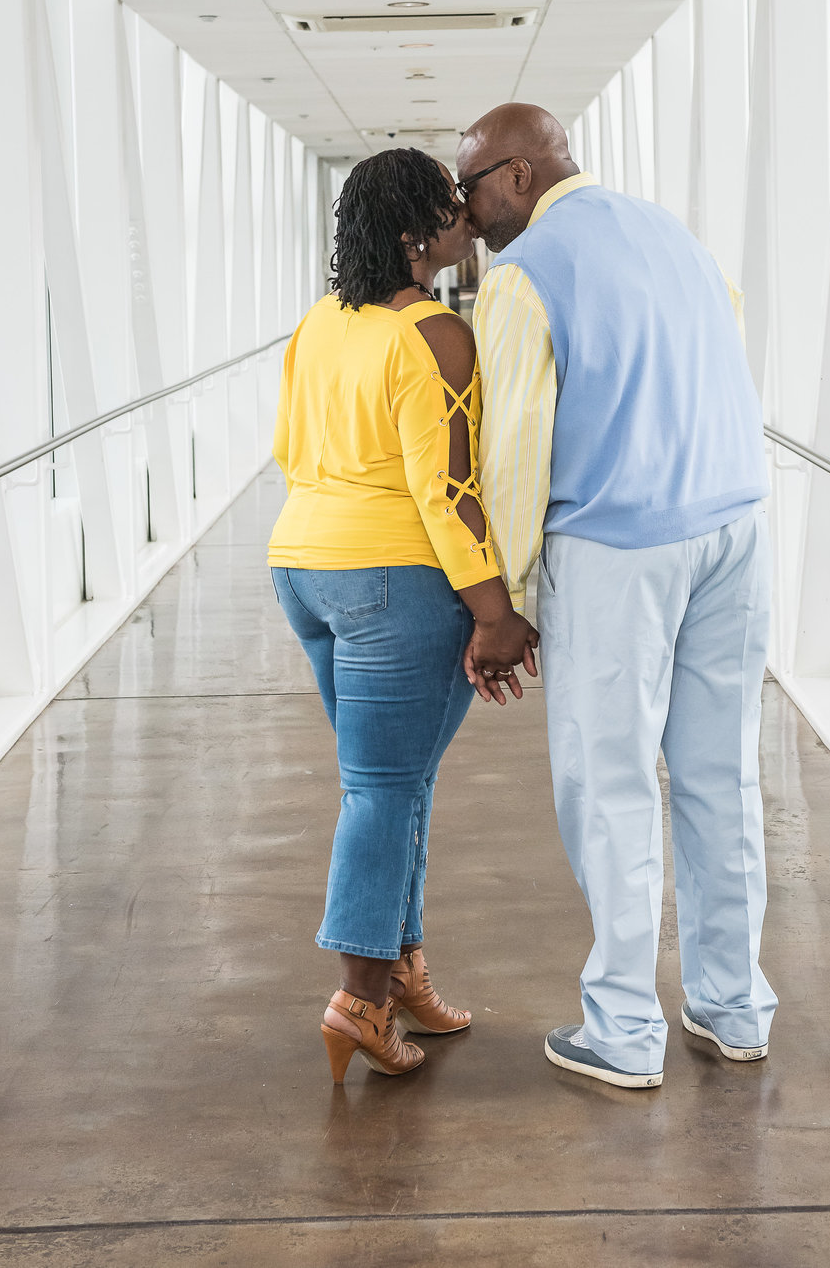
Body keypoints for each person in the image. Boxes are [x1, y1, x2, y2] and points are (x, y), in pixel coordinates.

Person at [457, 104, 775, 1091]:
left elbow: (513, 447)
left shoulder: (525, 275)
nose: (467, 223)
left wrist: (504, 606)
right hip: (735, 526)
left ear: (515, 174)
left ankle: (626, 1029)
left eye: (469, 194)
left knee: (611, 782)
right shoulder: (675, 234)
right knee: (723, 778)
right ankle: (733, 1007)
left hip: (617, 543)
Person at [269, 148, 538, 1085]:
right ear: (416, 234)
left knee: (397, 778)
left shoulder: (316, 325)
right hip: (392, 580)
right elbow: (448, 490)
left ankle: (405, 968)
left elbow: (288, 449)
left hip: (304, 568)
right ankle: (359, 999)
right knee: (383, 791)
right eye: (451, 215)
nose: (469, 226)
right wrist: (495, 611)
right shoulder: (433, 335)